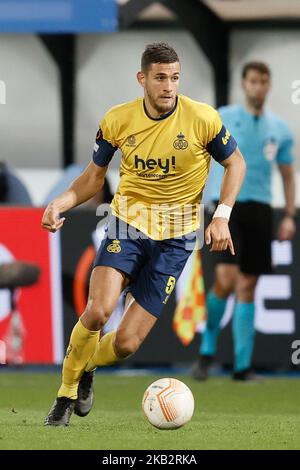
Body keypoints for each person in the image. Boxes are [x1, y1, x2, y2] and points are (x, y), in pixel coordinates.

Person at [42, 42, 246, 426]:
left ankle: (87, 366)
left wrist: (222, 215)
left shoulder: (203, 119)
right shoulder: (118, 120)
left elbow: (236, 162)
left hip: (177, 239)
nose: (169, 86)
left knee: (126, 343)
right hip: (126, 225)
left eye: (174, 78)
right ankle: (65, 395)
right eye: (160, 78)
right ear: (143, 79)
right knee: (99, 311)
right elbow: (93, 178)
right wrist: (60, 203)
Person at [193, 61, 296, 382]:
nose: (259, 87)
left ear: (268, 85)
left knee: (249, 285)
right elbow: (202, 160)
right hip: (227, 207)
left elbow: (288, 175)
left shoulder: (279, 128)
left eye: (264, 81)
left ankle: (242, 366)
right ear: (244, 84)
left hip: (261, 210)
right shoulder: (222, 116)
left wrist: (290, 214)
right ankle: (207, 350)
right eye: (253, 81)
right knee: (225, 278)